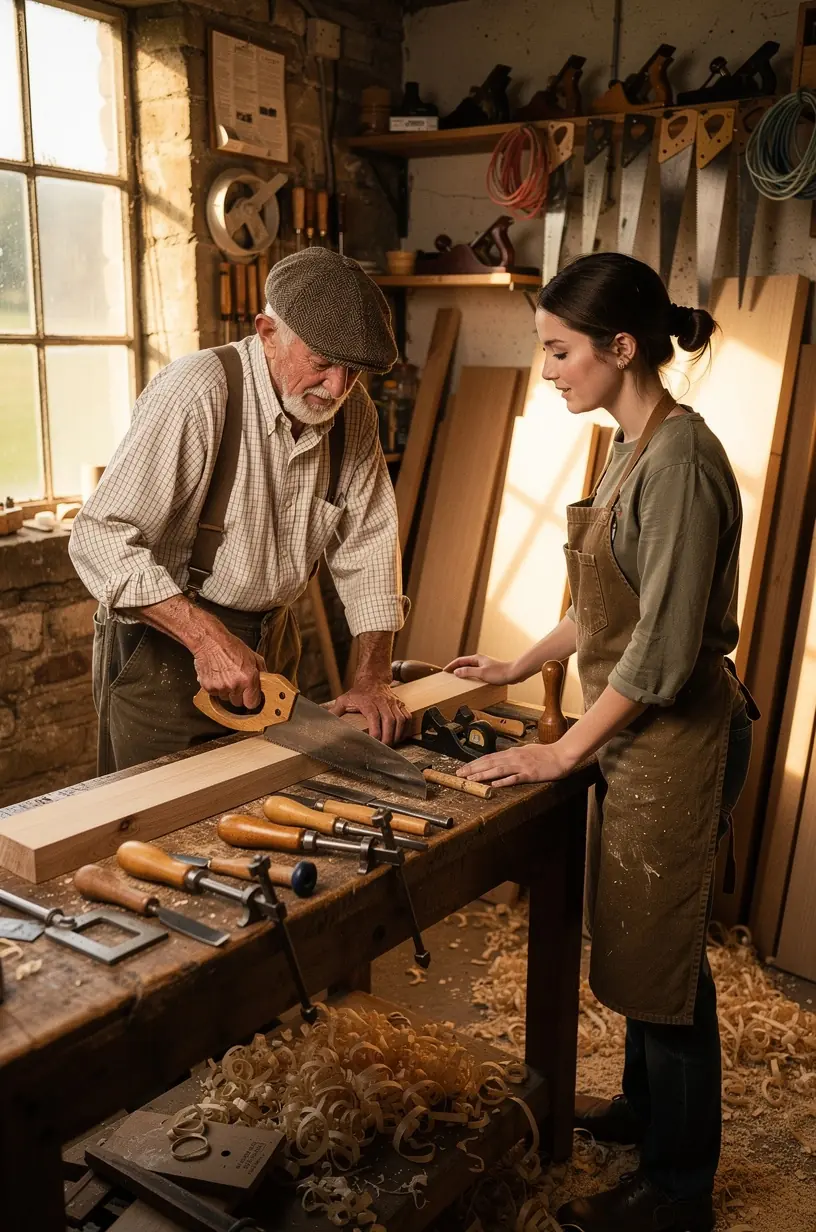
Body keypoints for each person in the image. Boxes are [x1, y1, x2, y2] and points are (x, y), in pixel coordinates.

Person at [446, 253, 757, 1232]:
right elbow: (600, 608)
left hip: (680, 737)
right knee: (631, 934)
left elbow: (662, 650)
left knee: (664, 958)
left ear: (621, 349)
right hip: (637, 738)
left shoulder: (682, 463)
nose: (546, 371)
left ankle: (679, 1190)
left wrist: (560, 750)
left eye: (559, 350)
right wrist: (515, 665)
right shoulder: (632, 445)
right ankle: (642, 1107)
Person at [70, 248, 411, 774]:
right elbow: (99, 537)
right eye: (321, 363)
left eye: (354, 372)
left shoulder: (351, 411)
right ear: (268, 332)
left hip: (271, 644)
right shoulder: (199, 391)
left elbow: (369, 548)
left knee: (259, 810)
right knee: (155, 834)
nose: (338, 387)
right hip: (164, 651)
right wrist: (205, 638)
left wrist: (373, 676)